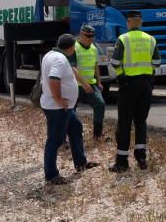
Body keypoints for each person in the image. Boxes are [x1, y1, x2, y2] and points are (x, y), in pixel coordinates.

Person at [40, 34, 99, 185]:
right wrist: (59, 99)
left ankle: (80, 163)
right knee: (55, 139)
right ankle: (51, 174)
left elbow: (70, 71)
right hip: (58, 108)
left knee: (76, 128)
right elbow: (54, 79)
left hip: (63, 108)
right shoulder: (59, 59)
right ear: (72, 48)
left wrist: (84, 84)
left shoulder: (52, 55)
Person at [109, 11, 159, 172]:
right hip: (146, 85)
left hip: (129, 85)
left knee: (124, 123)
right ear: (141, 23)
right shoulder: (150, 39)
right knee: (141, 121)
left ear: (128, 22)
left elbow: (115, 62)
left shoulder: (123, 39)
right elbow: (157, 62)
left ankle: (122, 162)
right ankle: (141, 157)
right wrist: (148, 74)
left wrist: (121, 76)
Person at [71, 24, 106, 143]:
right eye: (88, 36)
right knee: (70, 110)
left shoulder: (94, 49)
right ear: (81, 34)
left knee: (100, 104)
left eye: (92, 36)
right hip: (75, 85)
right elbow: (72, 68)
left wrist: (99, 82)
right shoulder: (74, 48)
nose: (90, 39)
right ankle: (69, 137)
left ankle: (97, 134)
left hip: (91, 84)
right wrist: (83, 84)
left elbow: (96, 65)